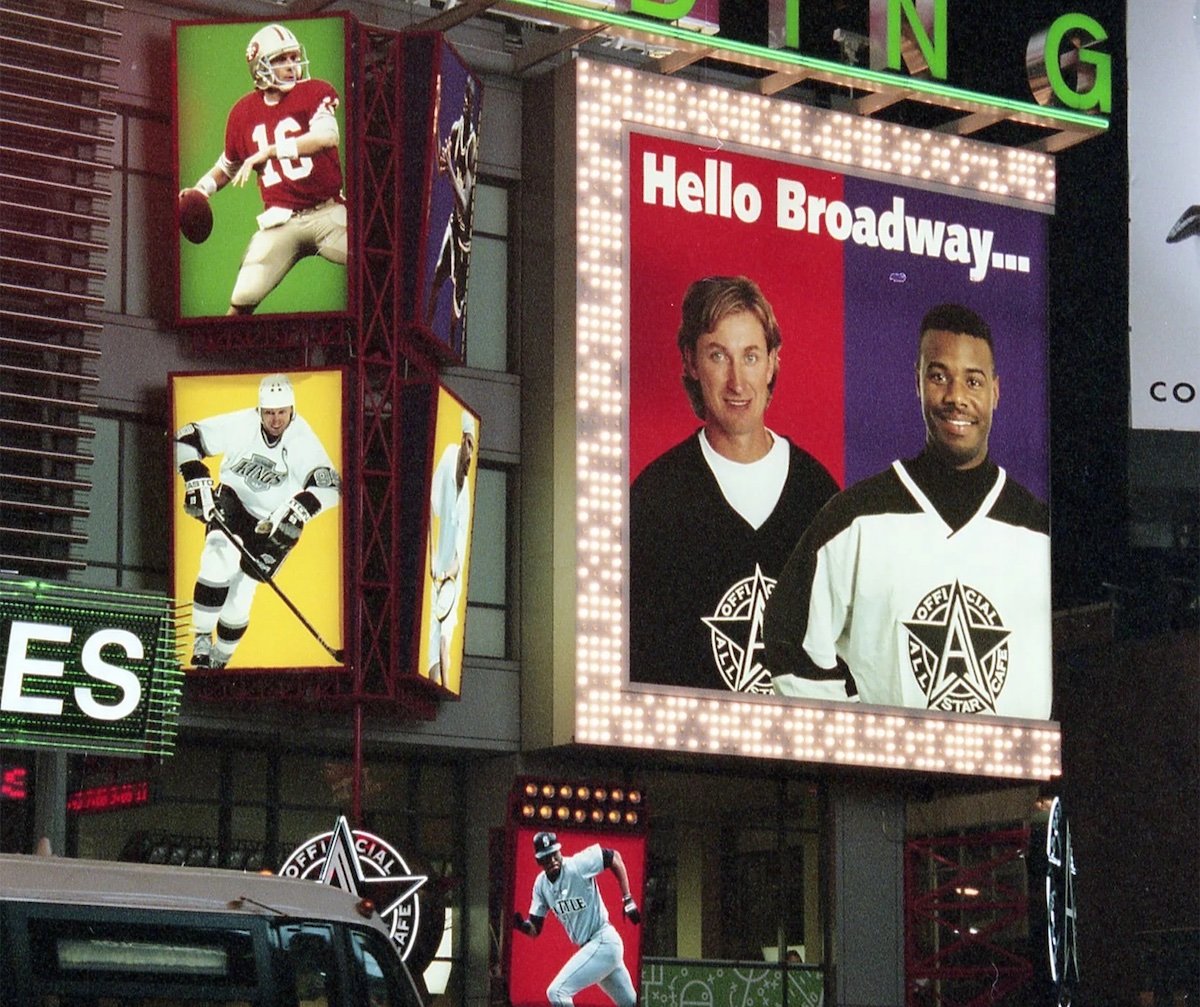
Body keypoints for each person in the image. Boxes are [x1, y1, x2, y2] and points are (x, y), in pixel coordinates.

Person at [763, 303, 1052, 718]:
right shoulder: (856, 517)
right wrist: (857, 744)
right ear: (917, 382)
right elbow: (789, 642)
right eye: (939, 376)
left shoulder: (1038, 531)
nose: (956, 397)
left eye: (973, 381)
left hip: (1012, 779)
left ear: (995, 392)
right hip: (894, 780)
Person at [629, 275, 839, 693]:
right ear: (690, 361)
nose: (737, 383)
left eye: (751, 356)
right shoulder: (655, 496)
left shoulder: (820, 495)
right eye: (718, 356)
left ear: (773, 361)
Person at [179, 23, 347, 315]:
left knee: (376, 263)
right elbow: (227, 165)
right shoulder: (243, 113)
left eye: (294, 57)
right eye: (281, 59)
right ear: (260, 67)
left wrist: (271, 151)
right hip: (280, 223)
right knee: (239, 304)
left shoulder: (314, 91)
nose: (292, 66)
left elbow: (327, 137)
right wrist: (200, 189)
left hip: (327, 212)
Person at [175, 373, 341, 669]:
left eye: (281, 412)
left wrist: (302, 508)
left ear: (292, 409)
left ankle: (220, 658)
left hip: (272, 521)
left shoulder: (301, 439)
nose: (275, 420)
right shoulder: (243, 424)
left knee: (241, 591)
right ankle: (201, 637)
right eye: (269, 413)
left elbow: (329, 486)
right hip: (233, 501)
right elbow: (187, 436)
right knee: (218, 557)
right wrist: (193, 476)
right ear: (259, 410)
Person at [512, 831, 640, 1007]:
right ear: (539, 861)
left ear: (559, 851)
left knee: (557, 992)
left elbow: (614, 857)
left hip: (603, 939)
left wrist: (627, 898)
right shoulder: (541, 885)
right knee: (632, 1004)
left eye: (554, 854)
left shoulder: (577, 865)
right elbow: (535, 929)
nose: (552, 860)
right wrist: (520, 925)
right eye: (546, 857)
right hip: (596, 949)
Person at [426, 77, 480, 350]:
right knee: (436, 281)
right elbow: (441, 168)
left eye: (472, 98)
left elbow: (466, 202)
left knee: (457, 312)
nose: (469, 103)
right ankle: (426, 329)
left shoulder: (471, 144)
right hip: (453, 225)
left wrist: (449, 168)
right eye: (467, 98)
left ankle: (449, 346)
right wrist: (440, 153)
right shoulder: (457, 128)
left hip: (464, 238)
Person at [427, 410, 477, 687]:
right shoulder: (447, 462)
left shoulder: (464, 497)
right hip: (438, 575)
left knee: (444, 640)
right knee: (435, 641)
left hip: (449, 582)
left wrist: (447, 575)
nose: (468, 460)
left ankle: (444, 685)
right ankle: (437, 682)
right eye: (466, 450)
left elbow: (460, 549)